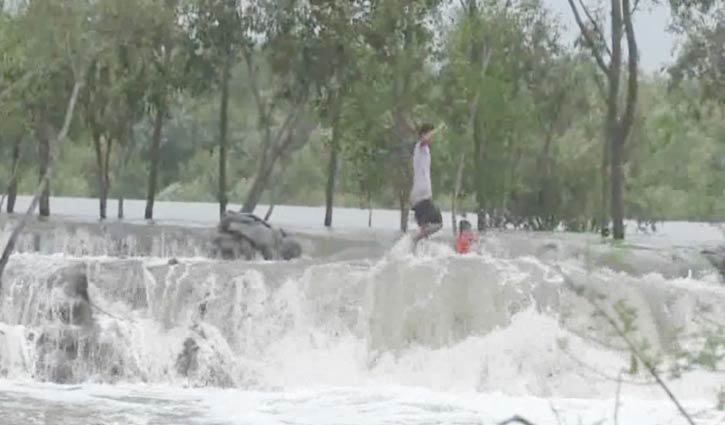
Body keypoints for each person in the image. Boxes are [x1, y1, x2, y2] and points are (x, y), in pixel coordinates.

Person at [410, 123, 443, 247]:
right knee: (437, 223)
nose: (432, 138)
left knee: (425, 230)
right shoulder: (419, 147)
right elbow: (423, 140)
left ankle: (413, 250)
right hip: (421, 195)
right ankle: (412, 240)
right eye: (430, 134)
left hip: (421, 195)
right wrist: (434, 131)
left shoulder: (424, 150)